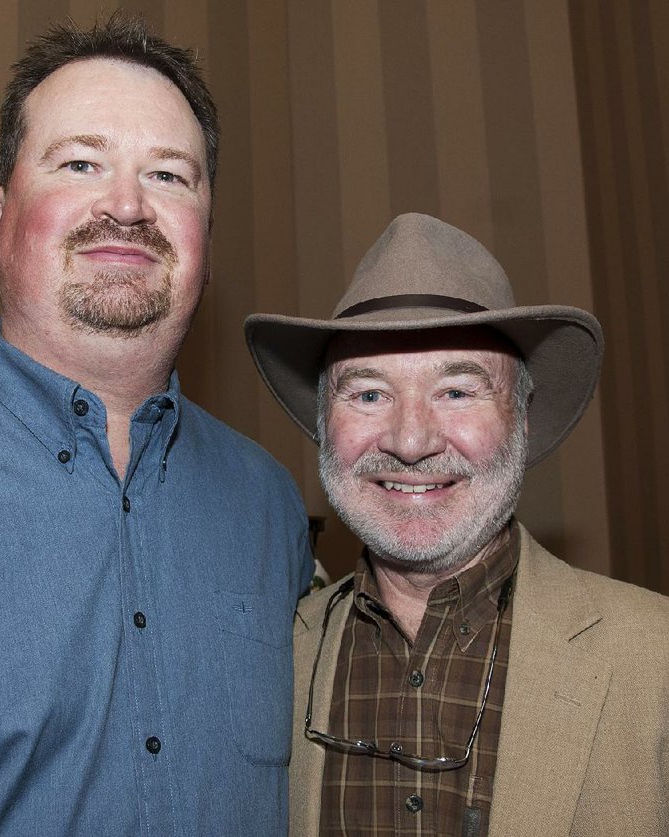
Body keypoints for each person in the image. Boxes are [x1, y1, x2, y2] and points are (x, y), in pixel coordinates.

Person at [0, 15, 312, 836]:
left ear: (205, 240)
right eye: (81, 163)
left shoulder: (270, 505)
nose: (127, 205)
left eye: (170, 176)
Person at [245, 213, 669, 836]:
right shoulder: (273, 657)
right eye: (367, 394)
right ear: (324, 423)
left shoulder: (654, 661)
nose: (411, 441)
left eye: (457, 392)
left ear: (521, 419)